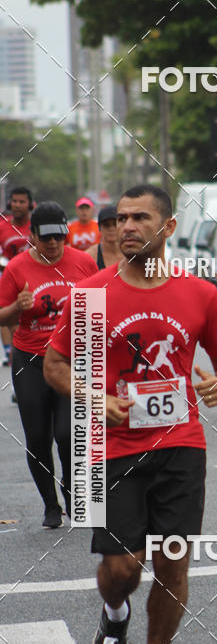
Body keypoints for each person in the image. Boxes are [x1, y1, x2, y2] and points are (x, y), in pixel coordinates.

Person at [44, 184, 217, 644]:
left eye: (140, 218)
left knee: (173, 563)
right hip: (109, 448)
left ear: (168, 228)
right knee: (121, 569)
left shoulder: (200, 294)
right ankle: (114, 614)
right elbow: (55, 365)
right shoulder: (92, 295)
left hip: (181, 444)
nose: (127, 226)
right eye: (123, 218)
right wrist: (95, 398)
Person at [0, 201, 97, 528]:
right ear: (33, 237)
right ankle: (50, 505)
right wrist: (18, 307)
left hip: (72, 361)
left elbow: (102, 310)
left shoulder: (84, 263)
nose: (54, 244)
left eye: (59, 237)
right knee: (38, 436)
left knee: (68, 434)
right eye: (46, 238)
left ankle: (73, 495)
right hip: (30, 359)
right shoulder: (16, 267)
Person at [0, 186, 33, 367]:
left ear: (30, 204)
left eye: (22, 202)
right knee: (13, 326)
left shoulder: (36, 226)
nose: (18, 205)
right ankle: (16, 369)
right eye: (15, 201)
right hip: (9, 281)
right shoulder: (2, 227)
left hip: (34, 281)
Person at [85, 204, 123, 268]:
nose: (111, 229)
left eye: (115, 224)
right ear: (100, 228)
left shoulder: (131, 254)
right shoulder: (90, 256)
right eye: (106, 225)